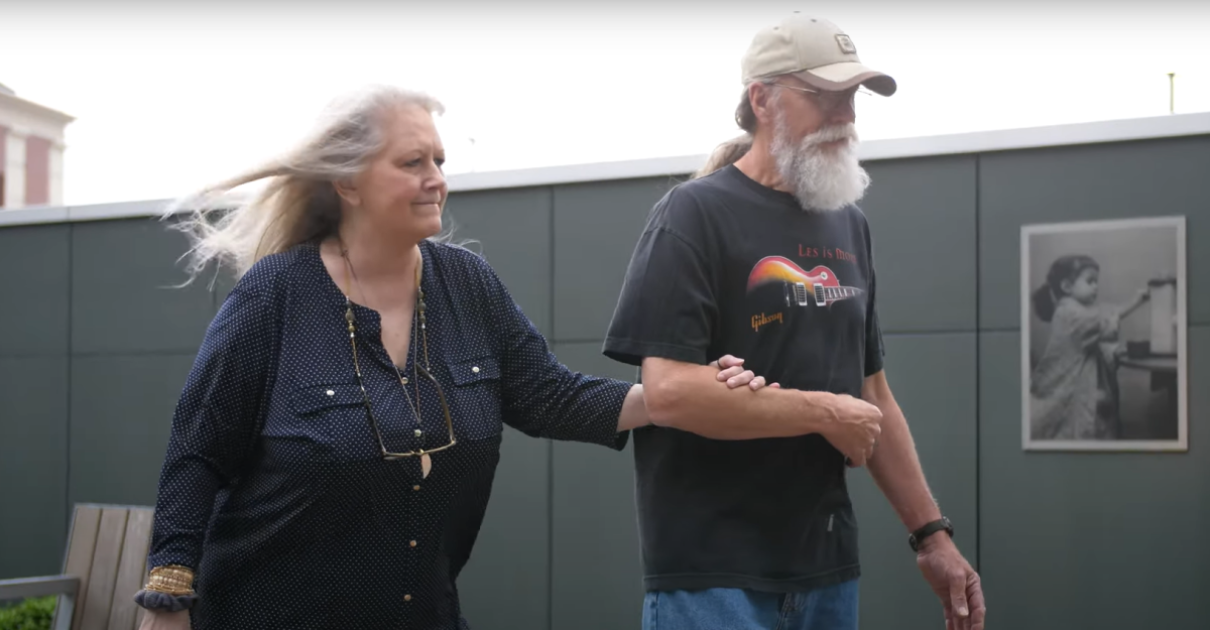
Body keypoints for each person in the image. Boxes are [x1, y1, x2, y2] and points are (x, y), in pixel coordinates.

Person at [132, 84, 776, 630]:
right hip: (265, 611)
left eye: (438, 159)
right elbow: (199, 450)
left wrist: (674, 395)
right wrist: (167, 599)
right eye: (412, 162)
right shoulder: (276, 293)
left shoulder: (467, 283)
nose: (437, 179)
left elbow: (550, 396)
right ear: (348, 183)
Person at [603, 13, 987, 630]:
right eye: (826, 96)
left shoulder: (848, 223)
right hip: (711, 578)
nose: (848, 115)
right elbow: (670, 390)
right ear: (762, 99)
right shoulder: (693, 213)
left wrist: (932, 537)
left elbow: (872, 396)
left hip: (828, 573)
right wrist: (823, 411)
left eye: (853, 96)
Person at [1029, 254, 1150, 441]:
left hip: (1089, 386)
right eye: (1090, 281)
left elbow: (1098, 331)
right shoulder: (1068, 314)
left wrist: (1136, 302)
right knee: (1082, 427)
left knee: (1096, 424)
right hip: (1077, 391)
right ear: (1067, 286)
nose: (1096, 286)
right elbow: (1103, 320)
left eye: (1096, 281)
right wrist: (1135, 302)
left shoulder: (1079, 311)